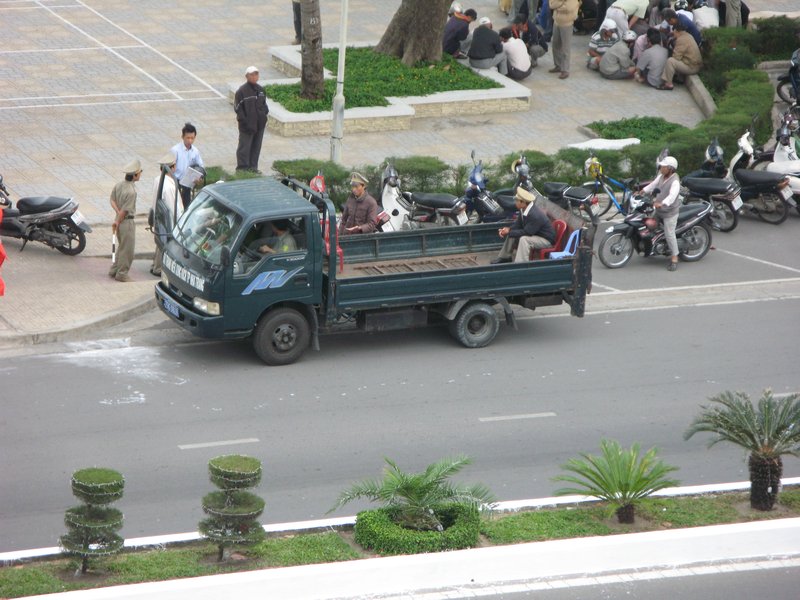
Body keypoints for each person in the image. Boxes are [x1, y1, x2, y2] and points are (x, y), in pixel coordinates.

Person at [490, 188, 556, 263]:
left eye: (517, 201)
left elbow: (527, 232)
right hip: (535, 234)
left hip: (546, 240)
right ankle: (505, 257)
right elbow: (518, 225)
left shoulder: (535, 215)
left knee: (524, 239)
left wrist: (509, 232)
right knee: (512, 232)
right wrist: (507, 230)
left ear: (523, 203)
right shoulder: (523, 209)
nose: (515, 203)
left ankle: (521, 263)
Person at [642, 155, 680, 271]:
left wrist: (662, 203)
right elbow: (653, 185)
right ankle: (654, 247)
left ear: (670, 168)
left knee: (669, 234)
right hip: (658, 210)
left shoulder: (675, 181)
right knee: (649, 224)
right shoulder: (661, 176)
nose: (661, 168)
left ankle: (674, 257)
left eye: (663, 167)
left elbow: (672, 197)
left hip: (669, 212)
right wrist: (642, 191)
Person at [109, 159, 141, 282]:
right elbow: (125, 211)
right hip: (127, 222)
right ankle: (122, 274)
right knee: (128, 250)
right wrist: (119, 218)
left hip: (119, 220)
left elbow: (112, 200)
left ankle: (114, 269)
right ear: (135, 175)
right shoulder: (131, 192)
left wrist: (117, 215)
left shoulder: (119, 185)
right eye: (139, 172)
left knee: (121, 246)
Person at [234, 65, 269, 173]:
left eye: (256, 74)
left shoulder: (261, 90)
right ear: (247, 76)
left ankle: (253, 168)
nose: (254, 76)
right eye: (252, 74)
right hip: (247, 127)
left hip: (259, 126)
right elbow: (238, 109)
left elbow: (264, 105)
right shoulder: (241, 91)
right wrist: (245, 122)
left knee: (256, 148)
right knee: (244, 148)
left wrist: (263, 116)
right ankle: (242, 169)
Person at [150, 151, 180, 277]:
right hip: (168, 220)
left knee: (159, 242)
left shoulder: (158, 179)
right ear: (171, 168)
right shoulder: (170, 187)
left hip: (158, 216)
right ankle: (158, 268)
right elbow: (174, 207)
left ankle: (155, 265)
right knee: (164, 244)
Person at [659, 19, 702, 90]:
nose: (673, 33)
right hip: (694, 64)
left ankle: (668, 84)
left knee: (671, 61)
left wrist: (673, 45)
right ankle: (679, 78)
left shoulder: (681, 40)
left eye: (674, 31)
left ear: (676, 31)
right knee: (679, 58)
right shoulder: (688, 35)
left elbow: (676, 57)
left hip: (692, 67)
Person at [171, 122, 204, 210]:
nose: (190, 141)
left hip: (187, 184)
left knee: (186, 207)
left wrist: (199, 177)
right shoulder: (175, 150)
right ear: (183, 137)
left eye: (192, 138)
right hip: (176, 183)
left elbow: (201, 167)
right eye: (188, 138)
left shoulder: (195, 151)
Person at [548, 0, 579, 79]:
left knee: (565, 48)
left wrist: (557, 6)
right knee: (555, 45)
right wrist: (561, 3)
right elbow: (551, 4)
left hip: (567, 23)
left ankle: (565, 70)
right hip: (556, 22)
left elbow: (569, 8)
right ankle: (558, 65)